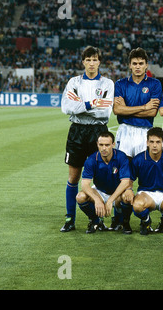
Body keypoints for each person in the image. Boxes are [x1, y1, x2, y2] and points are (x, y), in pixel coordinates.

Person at [60, 46, 114, 232]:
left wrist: (80, 105)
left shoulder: (107, 84)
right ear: (83, 61)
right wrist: (91, 103)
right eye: (88, 59)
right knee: (73, 177)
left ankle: (96, 220)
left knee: (98, 178)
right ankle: (69, 219)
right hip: (77, 132)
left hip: (98, 132)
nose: (91, 63)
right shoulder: (74, 82)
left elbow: (104, 111)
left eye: (95, 59)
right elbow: (66, 107)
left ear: (100, 62)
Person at [128, 127, 163, 236]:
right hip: (147, 194)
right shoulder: (139, 159)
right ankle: (146, 221)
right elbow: (130, 178)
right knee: (137, 206)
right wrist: (129, 189)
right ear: (147, 142)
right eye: (152, 142)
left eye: (158, 142)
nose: (155, 145)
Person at [75, 131, 133, 234]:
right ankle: (95, 221)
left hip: (117, 191)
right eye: (101, 145)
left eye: (107, 145)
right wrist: (97, 199)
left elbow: (125, 182)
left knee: (127, 197)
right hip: (100, 191)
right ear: (97, 144)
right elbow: (84, 184)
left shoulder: (121, 157)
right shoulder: (92, 160)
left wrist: (110, 200)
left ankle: (124, 222)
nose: (104, 148)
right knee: (80, 197)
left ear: (113, 145)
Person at [113, 47, 162, 159]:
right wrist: (145, 107)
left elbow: (152, 112)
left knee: (144, 171)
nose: (138, 66)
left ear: (146, 65)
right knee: (125, 171)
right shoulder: (120, 84)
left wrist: (126, 110)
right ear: (130, 65)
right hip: (125, 130)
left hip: (145, 131)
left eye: (141, 63)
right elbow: (117, 110)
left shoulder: (155, 84)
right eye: (134, 63)